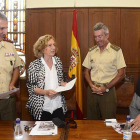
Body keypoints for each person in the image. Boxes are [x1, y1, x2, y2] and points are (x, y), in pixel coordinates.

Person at [82, 22, 126, 120]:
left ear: (107, 35)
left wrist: (106, 88)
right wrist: (90, 85)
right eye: (95, 37)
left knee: (109, 122)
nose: (97, 40)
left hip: (108, 91)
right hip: (92, 90)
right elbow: (86, 71)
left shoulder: (116, 51)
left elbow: (121, 74)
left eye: (100, 36)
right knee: (91, 122)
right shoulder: (91, 51)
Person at [26, 34, 67, 121]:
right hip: (42, 107)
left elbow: (60, 80)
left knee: (60, 132)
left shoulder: (58, 62)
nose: (53, 47)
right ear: (42, 49)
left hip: (58, 105)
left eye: (54, 45)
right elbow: (31, 87)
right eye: (50, 45)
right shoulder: (34, 65)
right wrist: (46, 92)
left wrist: (64, 84)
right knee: (42, 134)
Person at [0, 13, 21, 120]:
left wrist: (12, 83)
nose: (5, 32)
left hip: (7, 100)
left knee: (8, 132)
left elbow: (16, 67)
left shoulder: (9, 46)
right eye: (1, 28)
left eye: (5, 28)